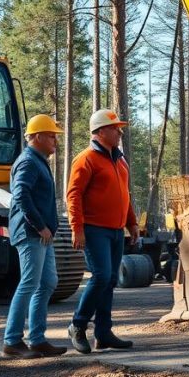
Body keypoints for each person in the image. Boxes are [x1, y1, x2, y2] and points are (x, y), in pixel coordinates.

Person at [66, 108, 140, 353]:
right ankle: (77, 325)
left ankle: (103, 332)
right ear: (100, 132)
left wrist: (132, 223)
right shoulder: (86, 159)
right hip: (94, 229)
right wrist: (77, 228)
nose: (119, 132)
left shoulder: (119, 160)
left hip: (116, 231)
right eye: (115, 128)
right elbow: (73, 195)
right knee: (100, 276)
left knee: (109, 280)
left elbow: (124, 195)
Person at [2, 114, 68, 359]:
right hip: (32, 233)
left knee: (48, 282)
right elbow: (20, 195)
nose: (55, 141)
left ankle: (37, 339)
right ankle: (12, 341)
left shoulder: (39, 161)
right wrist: (40, 226)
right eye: (51, 136)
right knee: (29, 283)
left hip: (42, 234)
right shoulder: (28, 161)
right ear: (37, 136)